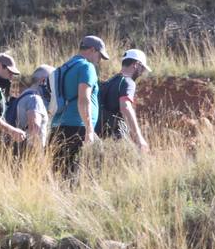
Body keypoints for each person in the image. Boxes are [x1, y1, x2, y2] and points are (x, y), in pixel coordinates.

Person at [49, 35, 109, 176]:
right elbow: (84, 98)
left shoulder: (66, 67)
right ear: (93, 50)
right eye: (100, 56)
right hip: (77, 127)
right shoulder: (86, 67)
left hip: (58, 126)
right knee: (77, 174)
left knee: (60, 173)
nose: (99, 60)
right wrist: (89, 129)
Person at [97, 49, 150, 153]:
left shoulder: (109, 82)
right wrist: (138, 138)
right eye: (142, 67)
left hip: (100, 139)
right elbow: (125, 107)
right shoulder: (128, 82)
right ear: (136, 64)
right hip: (114, 141)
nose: (142, 71)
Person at [11, 64, 55, 150]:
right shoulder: (35, 99)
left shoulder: (22, 97)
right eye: (53, 82)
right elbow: (34, 128)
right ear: (43, 81)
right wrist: (39, 155)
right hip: (30, 153)